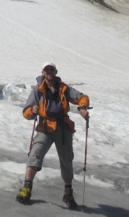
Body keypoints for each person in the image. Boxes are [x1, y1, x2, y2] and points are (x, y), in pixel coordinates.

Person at [17, 61, 90, 208]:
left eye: (51, 69)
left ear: (55, 72)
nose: (49, 72)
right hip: (45, 127)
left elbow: (82, 97)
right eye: (46, 69)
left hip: (63, 128)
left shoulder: (64, 88)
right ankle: (27, 188)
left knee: (66, 160)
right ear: (43, 73)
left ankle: (68, 194)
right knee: (35, 153)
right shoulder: (38, 90)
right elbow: (26, 112)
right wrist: (33, 111)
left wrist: (82, 107)